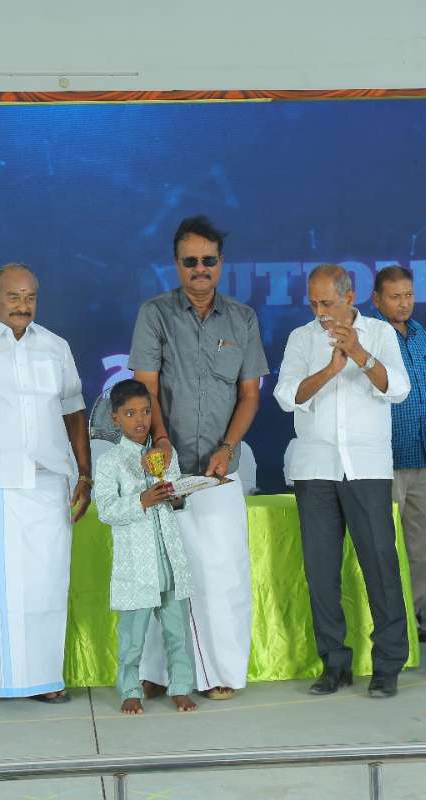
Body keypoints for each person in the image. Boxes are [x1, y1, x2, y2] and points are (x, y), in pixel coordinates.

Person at [129, 215, 269, 701]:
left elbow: (249, 395)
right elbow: (146, 388)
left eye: (208, 260)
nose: (200, 269)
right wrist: (161, 441)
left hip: (218, 473)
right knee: (161, 576)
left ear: (220, 263)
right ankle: (159, 671)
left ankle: (222, 673)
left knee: (222, 576)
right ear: (176, 264)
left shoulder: (242, 319)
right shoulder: (155, 314)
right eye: (190, 262)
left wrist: (227, 449)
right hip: (164, 470)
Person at [0, 263, 93, 709]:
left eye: (30, 297)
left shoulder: (56, 348)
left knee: (47, 583)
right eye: (13, 297)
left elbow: (74, 415)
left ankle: (44, 677)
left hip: (49, 481)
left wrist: (85, 473)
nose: (22, 306)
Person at [275, 264, 412, 698]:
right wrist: (330, 371)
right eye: (313, 303)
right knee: (321, 574)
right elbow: (286, 396)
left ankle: (387, 665)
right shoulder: (302, 338)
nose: (320, 312)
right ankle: (334, 663)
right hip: (314, 468)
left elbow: (399, 389)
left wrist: (360, 355)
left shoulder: (380, 333)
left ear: (350, 298)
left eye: (327, 303)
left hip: (367, 468)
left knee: (381, 568)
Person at [94, 379, 198, 715]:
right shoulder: (110, 462)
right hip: (136, 566)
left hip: (170, 560)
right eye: (130, 413)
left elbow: (178, 499)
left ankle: (181, 687)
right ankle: (130, 690)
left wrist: (177, 495)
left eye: (145, 412)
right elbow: (106, 510)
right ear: (115, 419)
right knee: (132, 638)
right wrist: (142, 499)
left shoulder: (166, 455)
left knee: (177, 632)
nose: (140, 420)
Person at [372, 266, 426, 643]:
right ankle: (386, 625)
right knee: (384, 549)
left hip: (420, 456)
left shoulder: (420, 334)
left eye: (408, 295)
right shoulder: (369, 336)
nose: (404, 303)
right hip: (382, 461)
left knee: (420, 548)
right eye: (395, 297)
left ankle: (412, 620)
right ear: (377, 300)